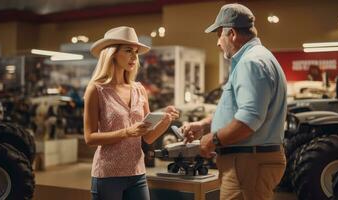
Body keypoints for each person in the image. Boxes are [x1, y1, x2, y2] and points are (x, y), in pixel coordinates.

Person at [181, 4, 287, 200]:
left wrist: (212, 140)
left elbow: (249, 119)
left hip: (247, 163)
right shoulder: (259, 58)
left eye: (219, 35)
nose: (218, 43)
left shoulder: (251, 63)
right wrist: (204, 125)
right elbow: (239, 110)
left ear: (232, 33)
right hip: (249, 163)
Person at [83, 26, 179, 200]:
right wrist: (126, 132)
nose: (135, 57)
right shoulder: (96, 90)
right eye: (128, 51)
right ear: (112, 53)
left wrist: (165, 121)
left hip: (137, 173)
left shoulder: (139, 89)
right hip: (107, 175)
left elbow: (148, 137)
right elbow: (89, 138)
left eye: (136, 52)